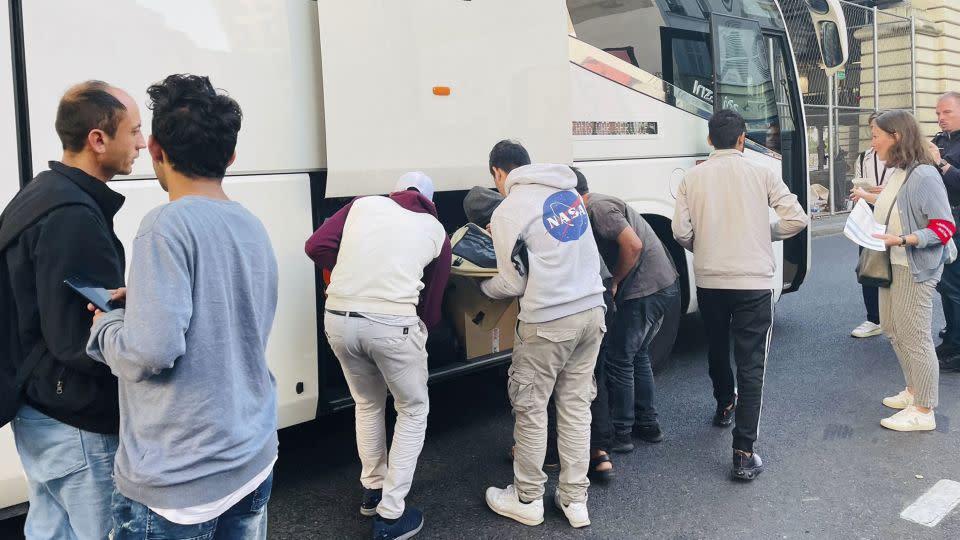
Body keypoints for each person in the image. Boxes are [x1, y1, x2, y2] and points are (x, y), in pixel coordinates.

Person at [86, 74, 279, 539]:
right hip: (251, 457)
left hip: (180, 480)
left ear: (155, 149)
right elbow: (232, 313)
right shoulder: (251, 226)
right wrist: (150, 299)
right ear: (230, 157)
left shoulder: (165, 226)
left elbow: (152, 351)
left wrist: (109, 326)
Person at [0, 80, 143, 540]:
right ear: (97, 140)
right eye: (134, 130)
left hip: (40, 409)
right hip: (76, 421)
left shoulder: (41, 194)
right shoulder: (74, 215)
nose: (141, 143)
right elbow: (82, 337)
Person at [305, 171, 452, 540]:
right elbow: (431, 305)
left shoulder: (362, 204)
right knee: (413, 409)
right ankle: (390, 514)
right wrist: (421, 330)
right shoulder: (435, 230)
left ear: (398, 191)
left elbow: (315, 246)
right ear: (428, 200)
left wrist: (351, 270)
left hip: (338, 317)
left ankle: (373, 491)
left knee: (367, 403)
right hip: (393, 324)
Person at [672, 109, 808, 481]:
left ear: (710, 140)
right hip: (753, 282)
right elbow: (797, 218)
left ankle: (723, 404)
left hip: (710, 278)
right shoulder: (762, 172)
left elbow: (680, 232)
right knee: (752, 365)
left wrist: (704, 246)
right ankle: (744, 451)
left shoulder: (692, 178)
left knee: (716, 345)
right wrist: (767, 234)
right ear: (743, 139)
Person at [481, 140, 605, 529]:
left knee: (532, 408)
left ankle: (527, 497)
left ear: (499, 173)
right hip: (592, 313)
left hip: (549, 321)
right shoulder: (566, 192)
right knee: (575, 407)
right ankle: (574, 499)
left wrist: (481, 291)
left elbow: (512, 280)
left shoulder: (509, 209)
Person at [851, 110, 955, 432]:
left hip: (913, 266)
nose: (873, 141)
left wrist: (904, 239)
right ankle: (913, 391)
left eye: (876, 135)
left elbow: (944, 227)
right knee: (894, 330)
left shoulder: (924, 175)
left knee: (916, 338)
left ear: (895, 136)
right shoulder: (900, 171)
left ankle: (924, 410)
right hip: (891, 264)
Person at [573, 169, 680, 451]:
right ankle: (648, 424)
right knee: (638, 354)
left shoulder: (598, 209)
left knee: (620, 357)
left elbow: (633, 245)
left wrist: (616, 280)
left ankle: (621, 433)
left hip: (645, 289)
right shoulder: (595, 206)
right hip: (660, 284)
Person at [851, 111, 892, 339]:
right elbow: (858, 182)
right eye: (872, 131)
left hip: (892, 214)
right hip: (869, 214)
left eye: (877, 132)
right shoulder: (864, 157)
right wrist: (859, 193)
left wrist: (880, 192)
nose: (873, 138)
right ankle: (873, 318)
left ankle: (892, 317)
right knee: (867, 265)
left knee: (893, 267)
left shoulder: (900, 157)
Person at [927, 92, 960, 370]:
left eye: (947, 112)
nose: (940, 118)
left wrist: (940, 163)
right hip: (940, 220)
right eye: (938, 113)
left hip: (957, 219)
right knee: (945, 284)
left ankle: (957, 347)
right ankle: (952, 335)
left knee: (954, 286)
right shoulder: (939, 141)